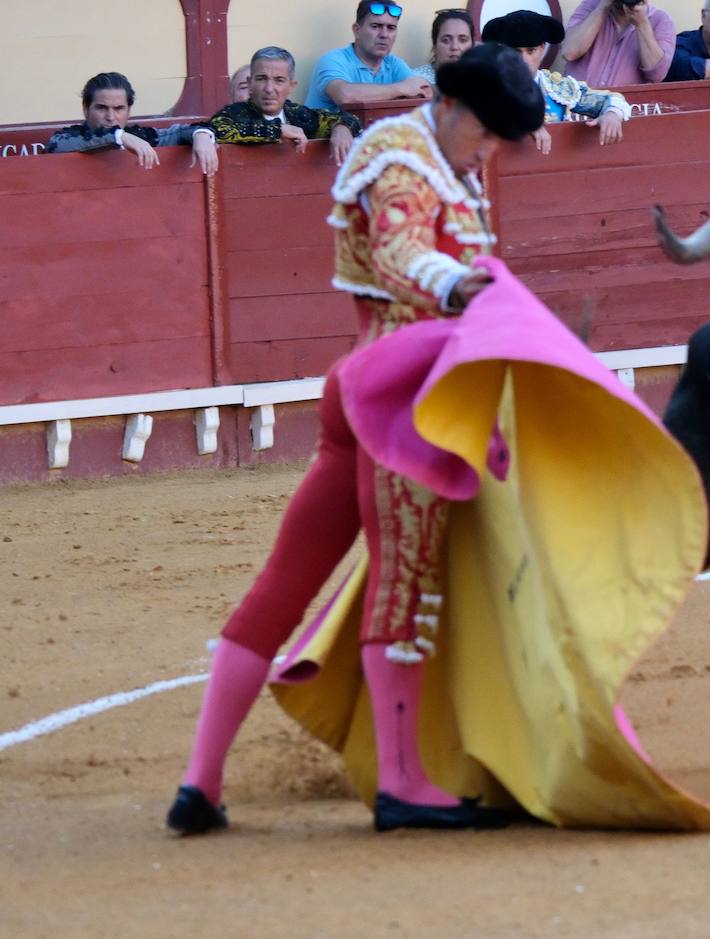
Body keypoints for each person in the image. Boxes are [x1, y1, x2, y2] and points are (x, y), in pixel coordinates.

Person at [166, 43, 545, 836]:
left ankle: (199, 783)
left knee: (287, 579)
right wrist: (452, 282)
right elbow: (401, 250)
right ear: (461, 112)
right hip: (405, 399)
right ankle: (401, 782)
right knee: (404, 581)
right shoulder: (404, 156)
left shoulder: (447, 166)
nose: (492, 153)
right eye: (491, 135)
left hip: (366, 386)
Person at [482, 10, 629, 152]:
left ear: (542, 48)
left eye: (530, 51)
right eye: (516, 51)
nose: (523, 60)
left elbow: (611, 99)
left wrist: (612, 114)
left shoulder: (557, 88)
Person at [206, 47, 360, 167]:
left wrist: (342, 127)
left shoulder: (299, 115)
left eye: (279, 80)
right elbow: (219, 129)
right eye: (261, 79)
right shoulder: (235, 112)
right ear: (250, 83)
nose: (269, 88)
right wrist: (278, 130)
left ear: (291, 86)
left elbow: (349, 119)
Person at [44, 72, 219, 175]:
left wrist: (202, 134)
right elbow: (55, 145)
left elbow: (180, 132)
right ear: (86, 108)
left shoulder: (142, 137)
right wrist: (120, 137)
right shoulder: (70, 137)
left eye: (119, 108)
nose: (111, 117)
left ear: (129, 111)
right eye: (102, 108)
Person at [304, 1, 433, 112]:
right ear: (357, 30)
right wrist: (403, 88)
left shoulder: (393, 63)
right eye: (376, 26)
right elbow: (346, 96)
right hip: (324, 139)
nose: (384, 34)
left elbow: (426, 93)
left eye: (391, 28)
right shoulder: (333, 60)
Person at [561, 0, 676, 86]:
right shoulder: (591, 6)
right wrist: (602, 7)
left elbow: (657, 75)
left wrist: (642, 24)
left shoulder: (660, 20)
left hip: (625, 112)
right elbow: (569, 53)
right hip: (578, 108)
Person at [414, 8, 476, 84]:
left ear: (472, 45)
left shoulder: (483, 80)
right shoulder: (415, 80)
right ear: (434, 45)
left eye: (462, 40)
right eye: (446, 40)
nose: (455, 47)